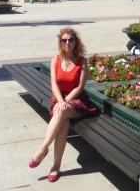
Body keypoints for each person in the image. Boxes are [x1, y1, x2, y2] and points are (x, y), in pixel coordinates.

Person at [29, 28, 100, 182]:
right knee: (62, 122)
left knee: (61, 112)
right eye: (64, 40)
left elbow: (80, 87)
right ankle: (55, 166)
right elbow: (54, 85)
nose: (67, 43)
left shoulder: (82, 61)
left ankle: (43, 149)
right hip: (59, 97)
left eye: (70, 40)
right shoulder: (56, 60)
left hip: (77, 99)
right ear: (60, 43)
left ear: (76, 42)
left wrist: (66, 102)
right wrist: (61, 101)